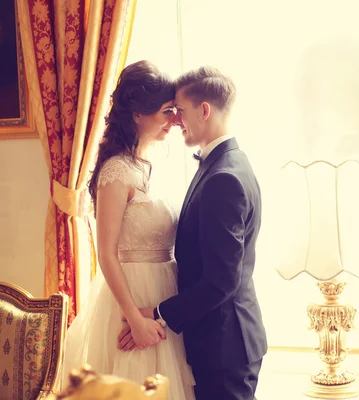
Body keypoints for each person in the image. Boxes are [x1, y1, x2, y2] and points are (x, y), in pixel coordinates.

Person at [118, 66, 268, 400]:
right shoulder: (226, 164)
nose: (175, 121)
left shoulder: (223, 177)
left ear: (204, 110)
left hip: (224, 346)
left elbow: (221, 281)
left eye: (180, 111)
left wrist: (157, 314)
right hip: (221, 341)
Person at [62, 60, 195, 400]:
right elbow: (106, 253)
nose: (175, 120)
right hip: (131, 294)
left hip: (166, 290)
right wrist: (134, 318)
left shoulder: (154, 165)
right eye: (168, 111)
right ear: (138, 113)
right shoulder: (116, 171)